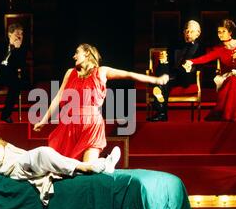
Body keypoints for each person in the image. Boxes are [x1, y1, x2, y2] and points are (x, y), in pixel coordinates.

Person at [33, 43, 168, 162]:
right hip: (69, 125)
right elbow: (58, 97)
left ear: (87, 53)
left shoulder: (102, 71)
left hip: (91, 125)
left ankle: (104, 165)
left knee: (88, 168)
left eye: (77, 53)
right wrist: (44, 120)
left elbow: (129, 74)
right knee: (65, 167)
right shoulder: (70, 73)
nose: (74, 56)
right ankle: (104, 165)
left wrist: (155, 80)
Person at [0, 122, 121, 205]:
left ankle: (101, 166)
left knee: (53, 163)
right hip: (17, 168)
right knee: (43, 152)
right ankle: (93, 166)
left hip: (23, 160)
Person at [183, 19, 236, 122]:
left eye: (223, 31)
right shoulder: (219, 49)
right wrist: (191, 61)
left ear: (230, 32)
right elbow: (206, 58)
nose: (220, 34)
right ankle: (232, 115)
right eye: (219, 32)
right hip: (228, 76)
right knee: (233, 81)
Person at [148, 20, 205, 121]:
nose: (188, 34)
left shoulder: (200, 47)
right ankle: (162, 113)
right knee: (162, 68)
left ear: (198, 33)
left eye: (191, 32)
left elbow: (201, 63)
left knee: (162, 81)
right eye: (186, 31)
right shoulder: (175, 44)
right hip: (173, 75)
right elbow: (170, 62)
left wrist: (192, 66)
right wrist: (164, 60)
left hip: (187, 77)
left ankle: (161, 113)